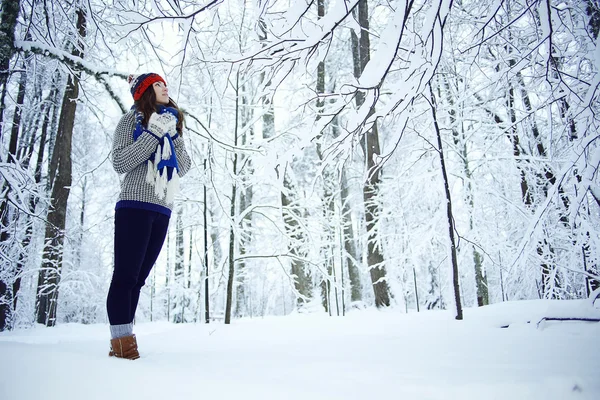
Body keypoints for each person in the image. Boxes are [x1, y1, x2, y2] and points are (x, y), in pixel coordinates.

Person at [107, 73, 191, 360]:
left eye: (165, 83)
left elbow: (184, 167)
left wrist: (173, 136)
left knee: (139, 278)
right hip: (134, 204)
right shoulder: (130, 122)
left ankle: (122, 340)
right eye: (158, 84)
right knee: (126, 276)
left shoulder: (172, 123)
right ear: (145, 91)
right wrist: (153, 134)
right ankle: (122, 344)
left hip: (161, 208)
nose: (165, 87)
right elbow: (120, 162)